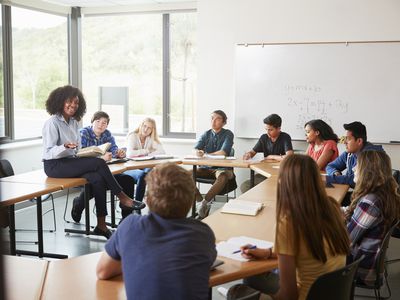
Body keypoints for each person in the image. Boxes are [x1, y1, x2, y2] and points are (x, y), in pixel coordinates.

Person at [96, 163, 217, 300]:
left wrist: (134, 260)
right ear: (191, 201)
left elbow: (103, 271)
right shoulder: (203, 233)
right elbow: (207, 264)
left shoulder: (129, 226)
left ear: (147, 199)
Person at [236, 155, 349, 300]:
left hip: (304, 295)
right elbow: (304, 249)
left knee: (238, 291)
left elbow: (288, 295)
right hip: (332, 293)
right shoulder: (332, 206)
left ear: (284, 182)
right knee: (252, 277)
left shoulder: (289, 222)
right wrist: (267, 253)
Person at [42, 85, 142, 239]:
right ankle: (123, 197)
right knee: (99, 163)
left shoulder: (74, 123)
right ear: (60, 101)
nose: (73, 105)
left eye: (76, 102)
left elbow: (77, 150)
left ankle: (101, 225)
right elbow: (48, 152)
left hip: (70, 161)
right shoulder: (52, 123)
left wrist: (82, 152)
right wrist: (64, 147)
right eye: (69, 102)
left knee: (97, 178)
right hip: (54, 165)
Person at [71, 111, 140, 223]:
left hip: (105, 171)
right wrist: (101, 157)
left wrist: (118, 153)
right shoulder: (83, 133)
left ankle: (126, 218)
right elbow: (79, 154)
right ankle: (78, 204)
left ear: (107, 125)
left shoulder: (107, 134)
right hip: (87, 171)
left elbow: (114, 150)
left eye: (104, 123)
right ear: (92, 122)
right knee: (99, 182)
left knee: (128, 180)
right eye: (98, 121)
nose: (100, 125)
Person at [344, 150, 400, 286]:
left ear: (368, 171)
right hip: (368, 261)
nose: (353, 168)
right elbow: (350, 213)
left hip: (360, 269)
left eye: (357, 165)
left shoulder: (370, 202)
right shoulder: (383, 194)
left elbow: (345, 241)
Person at [194, 110, 234, 219]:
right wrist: (198, 152)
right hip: (205, 168)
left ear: (224, 122)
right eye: (212, 118)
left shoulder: (228, 134)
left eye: (217, 119)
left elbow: (224, 152)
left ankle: (204, 203)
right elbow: (197, 149)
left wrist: (206, 154)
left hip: (221, 169)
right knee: (185, 175)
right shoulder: (206, 134)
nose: (214, 121)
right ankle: (200, 201)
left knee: (223, 176)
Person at [241, 114, 293, 193]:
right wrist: (249, 154)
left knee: (274, 188)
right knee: (245, 186)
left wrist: (270, 156)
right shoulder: (264, 137)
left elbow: (289, 156)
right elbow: (253, 152)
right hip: (265, 172)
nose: (268, 132)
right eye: (266, 129)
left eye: (270, 130)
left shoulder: (285, 137)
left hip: (281, 174)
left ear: (279, 129)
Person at [326, 121, 384, 188]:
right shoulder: (350, 153)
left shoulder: (371, 155)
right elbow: (330, 166)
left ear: (359, 141)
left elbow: (356, 180)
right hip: (359, 193)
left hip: (370, 196)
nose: (345, 142)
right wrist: (334, 172)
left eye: (348, 139)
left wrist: (328, 179)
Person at [124, 118, 165, 204]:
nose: (146, 129)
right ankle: (138, 205)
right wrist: (147, 151)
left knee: (150, 172)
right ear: (141, 125)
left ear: (152, 130)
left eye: (149, 128)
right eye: (144, 126)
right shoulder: (133, 136)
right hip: (130, 168)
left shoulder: (150, 138)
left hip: (144, 167)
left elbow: (162, 152)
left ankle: (154, 202)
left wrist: (148, 153)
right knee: (143, 175)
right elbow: (130, 153)